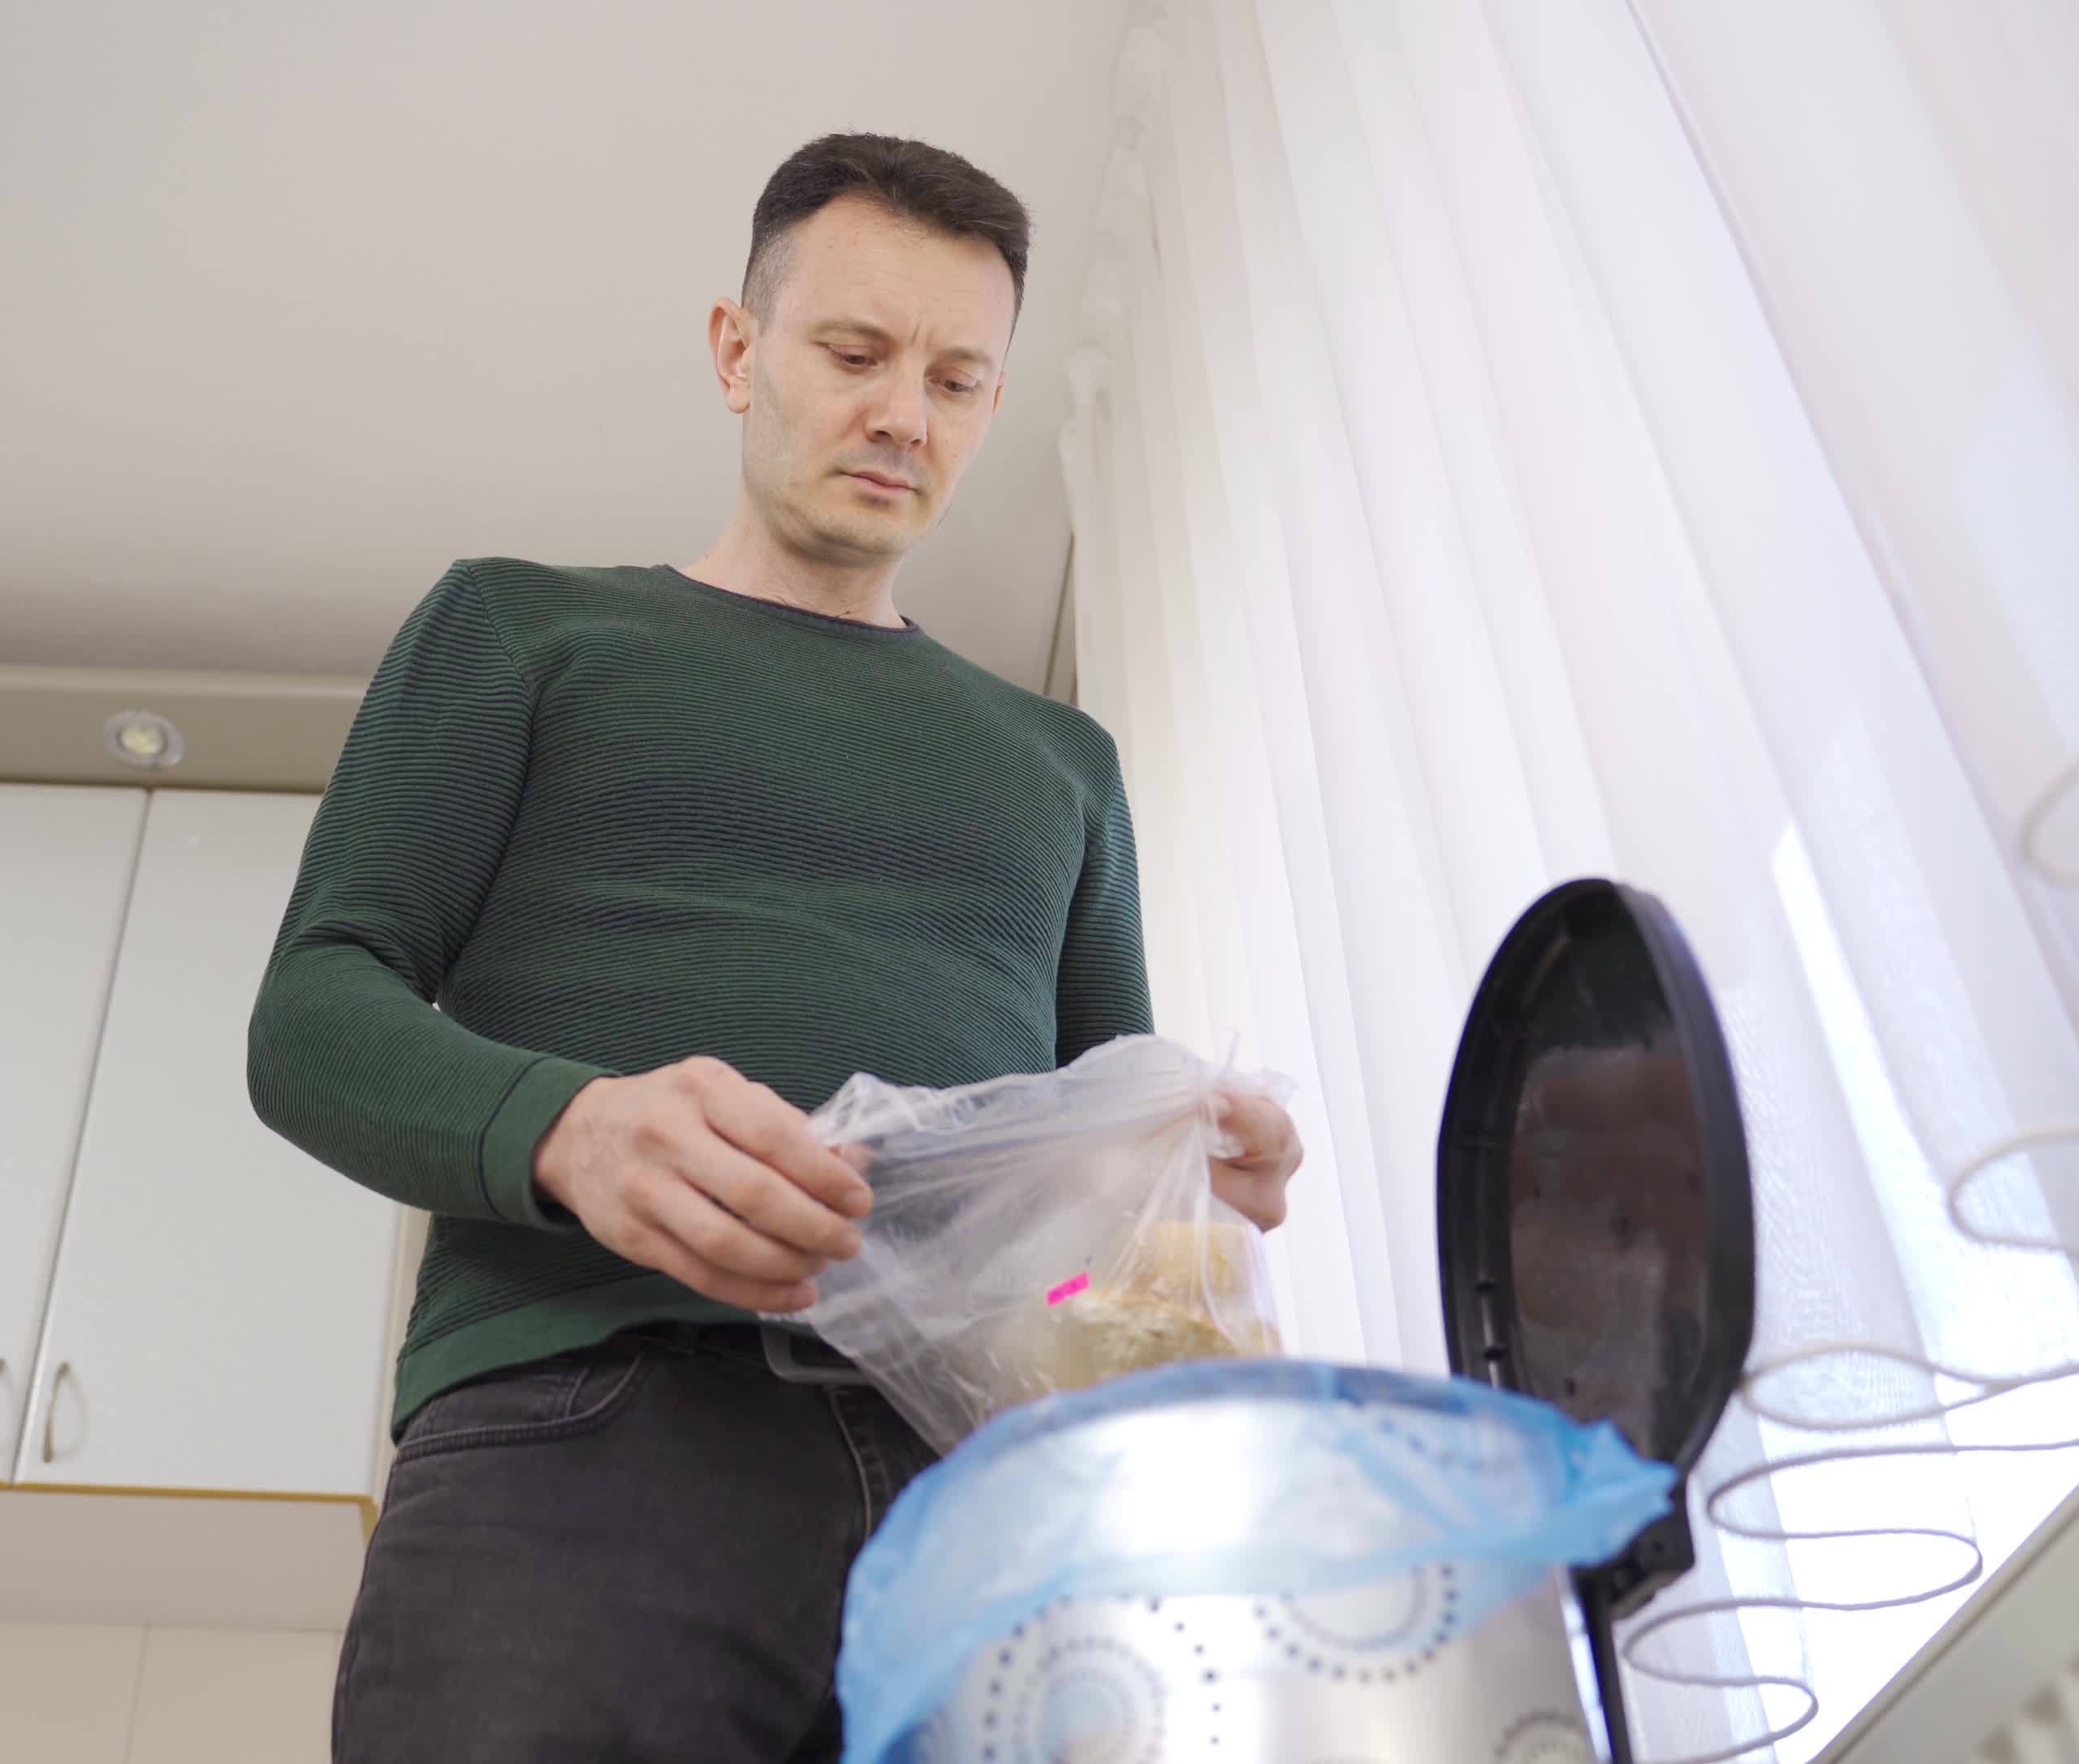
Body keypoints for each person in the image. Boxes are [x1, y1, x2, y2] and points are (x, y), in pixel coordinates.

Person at [247, 131, 1303, 1763]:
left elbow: (1086, 1221)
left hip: (984, 1514)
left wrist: (1181, 1177)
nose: (905, 413)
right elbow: (314, 1012)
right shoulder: (525, 632)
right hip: (585, 1436)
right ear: (740, 352)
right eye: (856, 353)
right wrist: (569, 1127)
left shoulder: (1063, 767)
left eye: (957, 378)